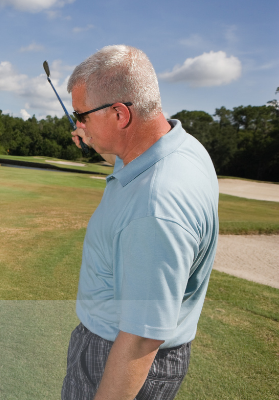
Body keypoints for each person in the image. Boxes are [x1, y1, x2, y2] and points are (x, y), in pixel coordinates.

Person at [61, 45, 219, 400]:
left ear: (119, 114)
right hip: (122, 344)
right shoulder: (178, 146)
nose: (78, 125)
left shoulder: (156, 206)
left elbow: (141, 337)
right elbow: (130, 157)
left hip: (116, 353)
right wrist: (95, 137)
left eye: (82, 116)